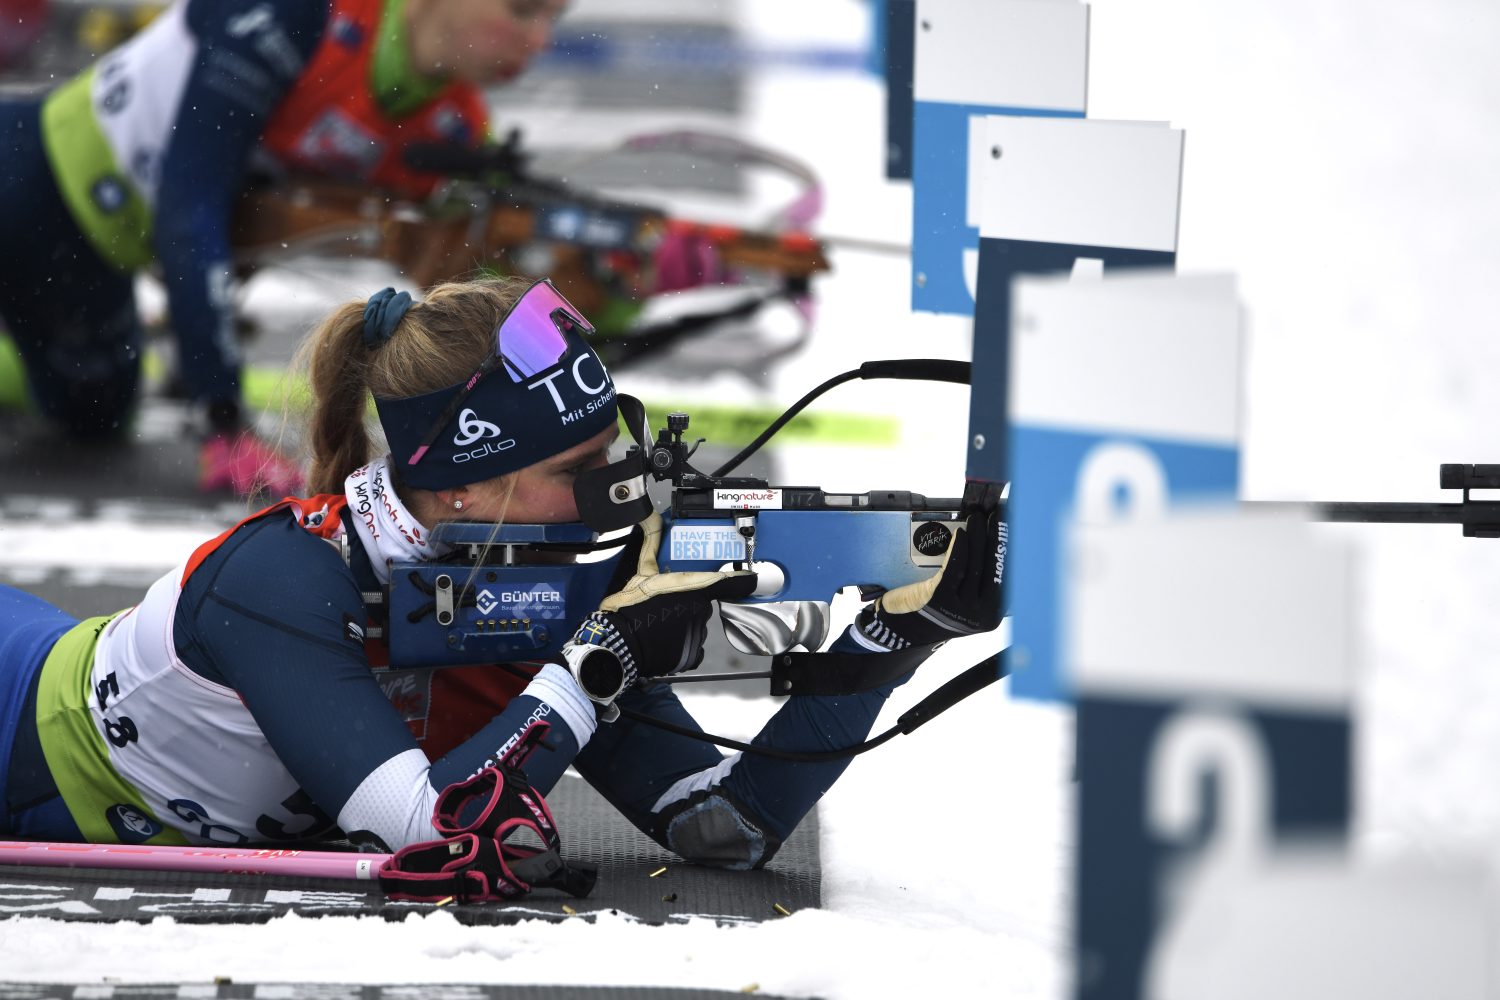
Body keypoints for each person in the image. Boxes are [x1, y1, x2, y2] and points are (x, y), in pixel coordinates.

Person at [0, 275, 1003, 876]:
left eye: (620, 451)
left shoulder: (530, 585)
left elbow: (726, 827)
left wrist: (895, 638)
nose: (619, 490)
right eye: (580, 471)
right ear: (469, 490)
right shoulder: (278, 578)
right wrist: (593, 665)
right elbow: (436, 837)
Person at [0, 0, 567, 498]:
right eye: (522, 8)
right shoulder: (293, 11)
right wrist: (223, 418)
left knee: (93, 421)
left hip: (86, 264)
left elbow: (496, 272)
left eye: (554, 18)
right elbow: (189, 209)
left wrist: (633, 279)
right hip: (24, 176)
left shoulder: (454, 122)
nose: (539, 41)